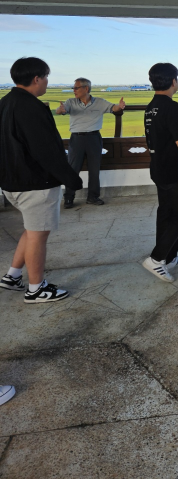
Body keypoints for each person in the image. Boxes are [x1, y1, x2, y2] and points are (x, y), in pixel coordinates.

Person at [0, 57, 82, 303]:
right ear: (36, 79)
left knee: (32, 229)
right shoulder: (31, 107)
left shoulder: (5, 102)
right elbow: (45, 149)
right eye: (46, 77)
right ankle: (36, 289)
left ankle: (13, 275)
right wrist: (71, 178)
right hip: (35, 183)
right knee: (38, 235)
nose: (47, 81)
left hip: (12, 180)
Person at [142, 63, 178, 283]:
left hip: (158, 167)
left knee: (166, 213)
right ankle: (156, 258)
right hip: (173, 170)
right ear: (173, 81)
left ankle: (168, 256)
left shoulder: (151, 107)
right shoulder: (173, 107)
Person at [56, 78, 125, 208]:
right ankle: (69, 198)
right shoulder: (70, 102)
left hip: (94, 138)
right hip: (76, 139)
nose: (74, 90)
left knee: (94, 169)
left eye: (76, 88)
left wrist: (119, 106)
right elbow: (60, 111)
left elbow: (113, 108)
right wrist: (61, 109)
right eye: (73, 88)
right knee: (73, 169)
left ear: (86, 88)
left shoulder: (99, 102)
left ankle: (93, 197)